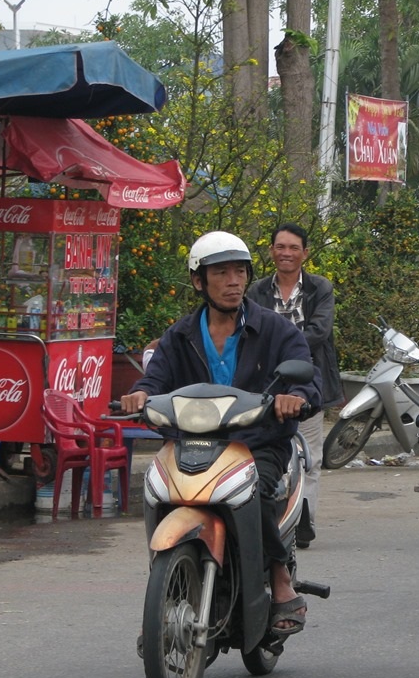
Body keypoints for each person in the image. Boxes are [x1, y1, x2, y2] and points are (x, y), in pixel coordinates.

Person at [121, 231, 322, 636]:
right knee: (159, 490)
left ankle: (279, 574)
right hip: (192, 443)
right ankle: (165, 597)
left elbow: (306, 374)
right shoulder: (179, 336)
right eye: (221, 273)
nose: (233, 281)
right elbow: (154, 380)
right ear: (199, 281)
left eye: (240, 272)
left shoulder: (274, 329)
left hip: (258, 443)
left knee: (258, 492)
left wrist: (294, 396)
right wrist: (139, 395)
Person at [247, 222, 343, 549]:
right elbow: (247, 330)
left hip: (308, 382)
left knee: (309, 455)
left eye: (293, 248)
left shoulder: (320, 289)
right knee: (263, 451)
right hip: (265, 384)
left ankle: (304, 520)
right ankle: (266, 519)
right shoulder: (256, 291)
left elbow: (320, 330)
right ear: (271, 250)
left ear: (305, 253)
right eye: (280, 247)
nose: (286, 253)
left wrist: (284, 350)